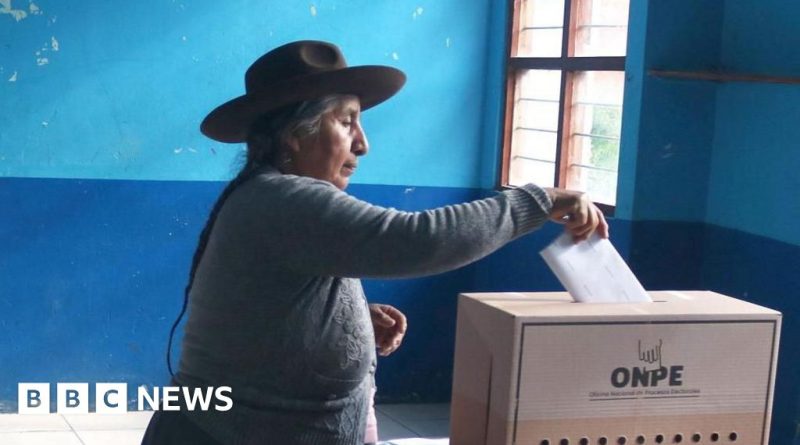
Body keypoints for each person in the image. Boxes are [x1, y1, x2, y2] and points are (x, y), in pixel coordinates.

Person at [141, 40, 608, 445]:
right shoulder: (283, 200)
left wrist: (349, 320)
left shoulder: (272, 198)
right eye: (346, 122)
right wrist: (536, 201)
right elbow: (418, 240)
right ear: (295, 135)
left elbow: (264, 307)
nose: (362, 144)